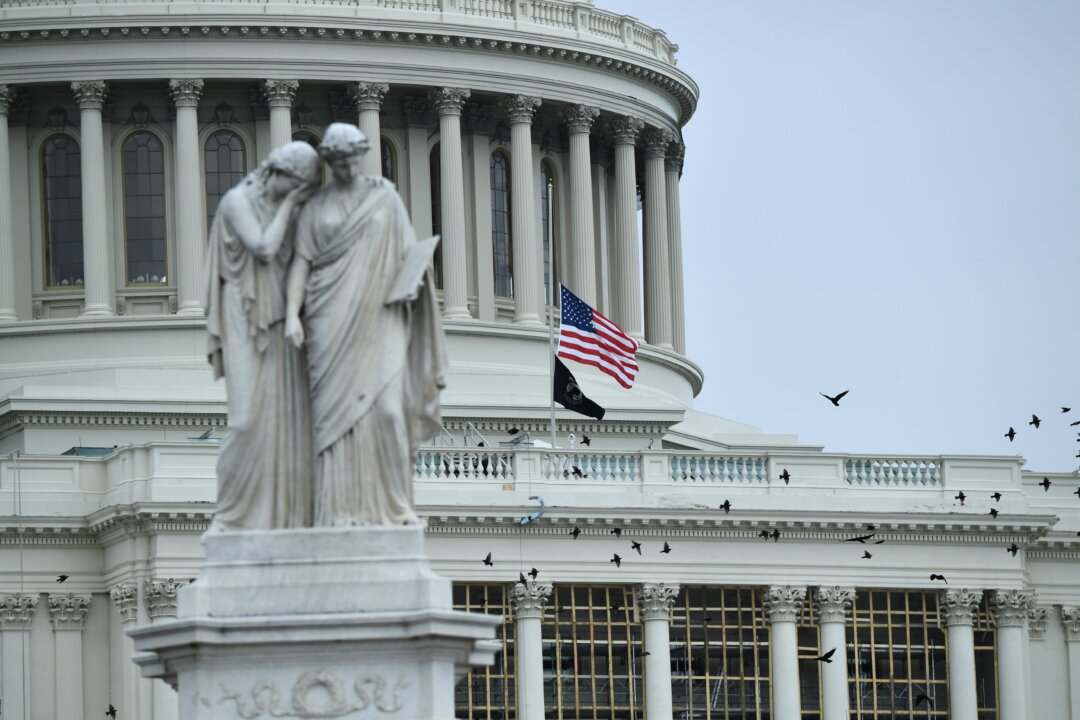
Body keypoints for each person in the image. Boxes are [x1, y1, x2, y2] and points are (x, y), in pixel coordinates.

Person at [285, 123, 446, 526]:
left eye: (353, 158)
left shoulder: (385, 198)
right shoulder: (315, 208)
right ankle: (336, 510)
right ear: (329, 161)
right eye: (339, 161)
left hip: (382, 313)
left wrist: (415, 279)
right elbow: (301, 263)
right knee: (332, 424)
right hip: (328, 318)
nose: (348, 167)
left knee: (389, 411)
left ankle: (394, 505)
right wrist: (290, 314)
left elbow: (410, 253)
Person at [204, 141, 321, 531]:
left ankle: (281, 515)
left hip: (278, 318)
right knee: (245, 420)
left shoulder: (290, 206)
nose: (296, 196)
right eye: (296, 186)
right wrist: (292, 205)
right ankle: (232, 515)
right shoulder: (238, 201)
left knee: (285, 422)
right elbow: (264, 248)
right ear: (281, 173)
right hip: (243, 312)